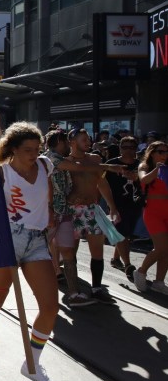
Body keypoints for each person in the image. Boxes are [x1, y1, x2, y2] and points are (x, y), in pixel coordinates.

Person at [0, 122, 61, 381]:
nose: (34, 154)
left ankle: (32, 363)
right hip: (7, 238)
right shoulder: (1, 172)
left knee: (50, 306)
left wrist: (50, 213)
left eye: (37, 148)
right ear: (13, 149)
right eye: (28, 150)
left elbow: (50, 191)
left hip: (36, 241)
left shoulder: (45, 166)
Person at [65, 128, 121, 301]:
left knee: (97, 251)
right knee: (70, 253)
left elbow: (102, 183)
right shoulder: (65, 162)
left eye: (88, 139)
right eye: (84, 139)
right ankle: (73, 290)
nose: (88, 142)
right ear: (72, 142)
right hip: (71, 211)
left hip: (92, 209)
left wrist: (112, 207)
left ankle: (97, 287)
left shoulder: (96, 159)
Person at [133, 141, 168, 293]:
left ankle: (159, 282)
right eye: (160, 151)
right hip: (153, 212)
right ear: (152, 152)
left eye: (166, 152)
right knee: (161, 248)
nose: (164, 155)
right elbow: (143, 179)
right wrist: (157, 170)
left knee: (166, 250)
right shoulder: (145, 166)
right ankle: (141, 271)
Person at [105, 136, 144, 276]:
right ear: (120, 148)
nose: (128, 151)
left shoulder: (141, 165)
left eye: (131, 147)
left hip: (135, 204)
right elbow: (102, 184)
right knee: (121, 233)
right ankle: (128, 265)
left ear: (136, 149)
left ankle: (116, 259)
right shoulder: (112, 164)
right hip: (117, 204)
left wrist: (137, 178)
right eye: (124, 147)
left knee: (127, 234)